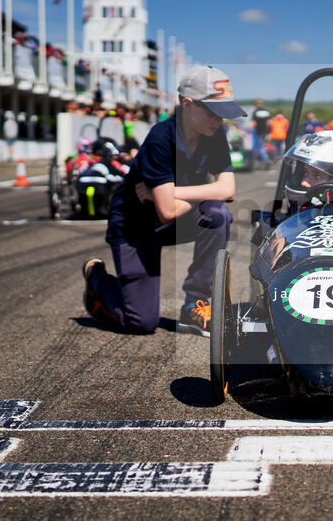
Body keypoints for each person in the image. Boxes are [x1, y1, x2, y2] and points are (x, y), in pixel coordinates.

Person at [82, 66, 245, 336]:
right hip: (135, 229)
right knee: (141, 323)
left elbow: (228, 190)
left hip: (173, 215)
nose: (220, 120)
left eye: (224, 113)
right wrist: (202, 191)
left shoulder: (215, 134)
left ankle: (196, 304)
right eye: (214, 112)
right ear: (187, 104)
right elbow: (167, 211)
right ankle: (97, 280)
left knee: (218, 215)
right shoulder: (161, 138)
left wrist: (178, 192)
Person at [251, 98, 270, 167]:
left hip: (258, 131)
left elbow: (254, 123)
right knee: (262, 146)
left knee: (260, 147)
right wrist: (268, 132)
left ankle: (266, 159)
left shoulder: (255, 112)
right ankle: (262, 163)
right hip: (265, 131)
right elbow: (268, 123)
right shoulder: (266, 111)